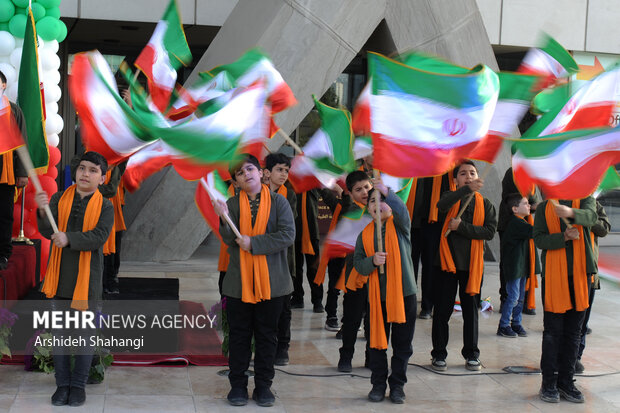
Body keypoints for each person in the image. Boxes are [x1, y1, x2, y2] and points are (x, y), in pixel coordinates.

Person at [213, 154, 295, 407]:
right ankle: (237, 385)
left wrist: (254, 243)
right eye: (239, 173)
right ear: (236, 182)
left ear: (261, 173)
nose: (246, 174)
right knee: (239, 336)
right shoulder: (233, 204)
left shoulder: (280, 202)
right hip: (240, 283)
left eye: (249, 169)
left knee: (267, 336)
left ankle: (263, 387)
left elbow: (287, 235)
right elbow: (229, 239)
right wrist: (223, 217)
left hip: (273, 283)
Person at [34, 151, 114, 407]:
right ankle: (62, 386)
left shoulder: (106, 206)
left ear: (102, 178)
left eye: (93, 170)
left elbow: (99, 237)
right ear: (75, 171)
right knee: (60, 336)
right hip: (60, 280)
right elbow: (48, 230)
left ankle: (78, 386)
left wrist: (69, 238)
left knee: (83, 337)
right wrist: (43, 209)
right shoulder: (59, 198)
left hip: (87, 282)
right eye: (82, 168)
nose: (86, 174)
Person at [353, 181, 417, 404]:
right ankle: (378, 385)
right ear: (367, 208)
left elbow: (401, 211)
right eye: (372, 201)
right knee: (377, 343)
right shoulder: (364, 235)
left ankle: (397, 386)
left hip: (403, 294)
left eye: (382, 200)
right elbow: (359, 265)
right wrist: (372, 261)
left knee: (402, 344)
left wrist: (388, 192)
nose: (377, 204)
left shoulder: (401, 227)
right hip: (377, 298)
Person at [430, 160, 497, 372]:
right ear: (456, 179)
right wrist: (465, 190)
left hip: (472, 265)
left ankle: (472, 354)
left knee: (471, 312)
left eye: (472, 173)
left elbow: (489, 232)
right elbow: (441, 206)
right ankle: (439, 354)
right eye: (463, 174)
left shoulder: (485, 204)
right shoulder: (449, 199)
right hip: (447, 264)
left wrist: (462, 227)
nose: (468, 176)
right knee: (442, 311)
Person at [534, 196, 597, 404]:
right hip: (554, 276)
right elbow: (540, 239)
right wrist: (563, 237)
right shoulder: (545, 206)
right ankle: (549, 383)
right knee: (553, 332)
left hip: (580, 277)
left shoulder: (586, 199)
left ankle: (566, 382)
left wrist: (570, 213)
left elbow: (592, 217)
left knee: (574, 332)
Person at [263, 152, 297, 366]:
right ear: (267, 172)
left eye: (286, 170)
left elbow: (285, 225)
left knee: (284, 306)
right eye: (279, 169)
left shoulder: (289, 195)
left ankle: (283, 347)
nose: (284, 174)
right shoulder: (255, 193)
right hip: (260, 258)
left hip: (285, 258)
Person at [337, 170, 372, 372]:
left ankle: (371, 355)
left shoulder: (380, 208)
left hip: (376, 275)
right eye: (358, 190)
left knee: (373, 320)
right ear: (350, 193)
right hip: (355, 275)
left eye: (367, 187)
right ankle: (346, 356)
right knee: (352, 318)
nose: (365, 192)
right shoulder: (351, 210)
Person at [407, 172, 454, 319]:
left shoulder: (442, 165)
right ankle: (407, 302)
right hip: (408, 221)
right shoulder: (410, 163)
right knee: (408, 265)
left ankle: (427, 306)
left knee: (430, 266)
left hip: (432, 221)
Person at [497, 167, 540, 315]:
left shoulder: (530, 174)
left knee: (525, 261)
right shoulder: (513, 173)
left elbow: (531, 202)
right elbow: (518, 200)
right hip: (510, 224)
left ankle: (524, 301)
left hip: (525, 222)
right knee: (509, 264)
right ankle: (506, 299)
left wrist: (536, 206)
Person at [575, 200, 610, 373]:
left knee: (582, 321)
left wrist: (587, 217)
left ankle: (576, 356)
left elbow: (604, 228)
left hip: (589, 273)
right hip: (567, 271)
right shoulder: (560, 203)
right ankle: (564, 356)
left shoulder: (593, 203)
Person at [0, 70, 29, 270]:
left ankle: (2, 254)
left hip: (5, 172)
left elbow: (22, 144)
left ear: (3, 85)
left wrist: (22, 172)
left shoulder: (14, 110)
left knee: (3, 214)